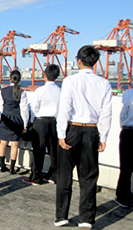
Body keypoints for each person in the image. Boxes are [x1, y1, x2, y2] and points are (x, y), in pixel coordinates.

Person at [55, 45, 112, 229]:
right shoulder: (104, 83)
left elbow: (64, 109)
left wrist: (61, 134)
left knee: (64, 175)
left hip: (72, 129)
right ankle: (86, 219)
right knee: (88, 177)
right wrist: (103, 137)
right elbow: (106, 113)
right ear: (95, 62)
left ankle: (61, 216)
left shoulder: (70, 81)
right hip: (92, 131)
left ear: (79, 61)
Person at [23, 64, 61, 186]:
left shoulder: (40, 90)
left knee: (38, 151)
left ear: (45, 75)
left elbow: (34, 108)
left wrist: (33, 122)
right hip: (55, 122)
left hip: (40, 122)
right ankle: (54, 175)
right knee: (54, 150)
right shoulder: (60, 91)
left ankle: (36, 177)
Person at [0, 70, 29, 174]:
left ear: (10, 78)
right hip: (17, 118)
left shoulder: (2, 91)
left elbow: (0, 107)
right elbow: (24, 110)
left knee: (3, 143)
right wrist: (25, 124)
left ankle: (2, 166)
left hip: (6, 118)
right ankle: (12, 168)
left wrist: (0, 120)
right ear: (19, 79)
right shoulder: (22, 92)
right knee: (14, 145)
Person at [115, 88, 133, 208]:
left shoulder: (127, 94)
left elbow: (123, 116)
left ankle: (123, 197)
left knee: (125, 167)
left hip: (128, 132)